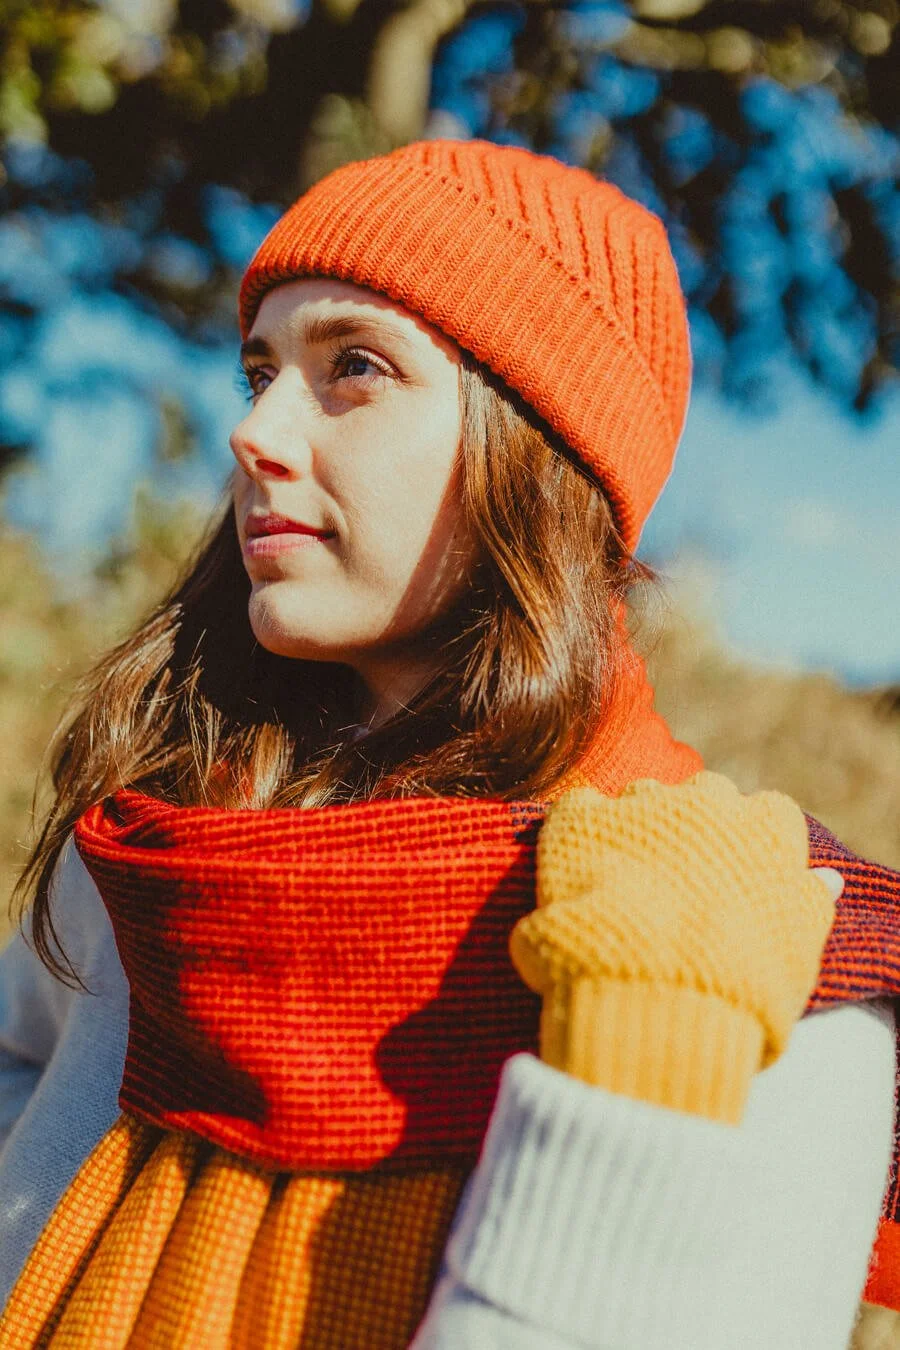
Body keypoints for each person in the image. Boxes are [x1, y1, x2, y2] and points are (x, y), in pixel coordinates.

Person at [0, 138, 897, 1350]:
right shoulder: (156, 842)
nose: (255, 430)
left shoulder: (746, 955)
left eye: (354, 366)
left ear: (538, 447)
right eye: (257, 370)